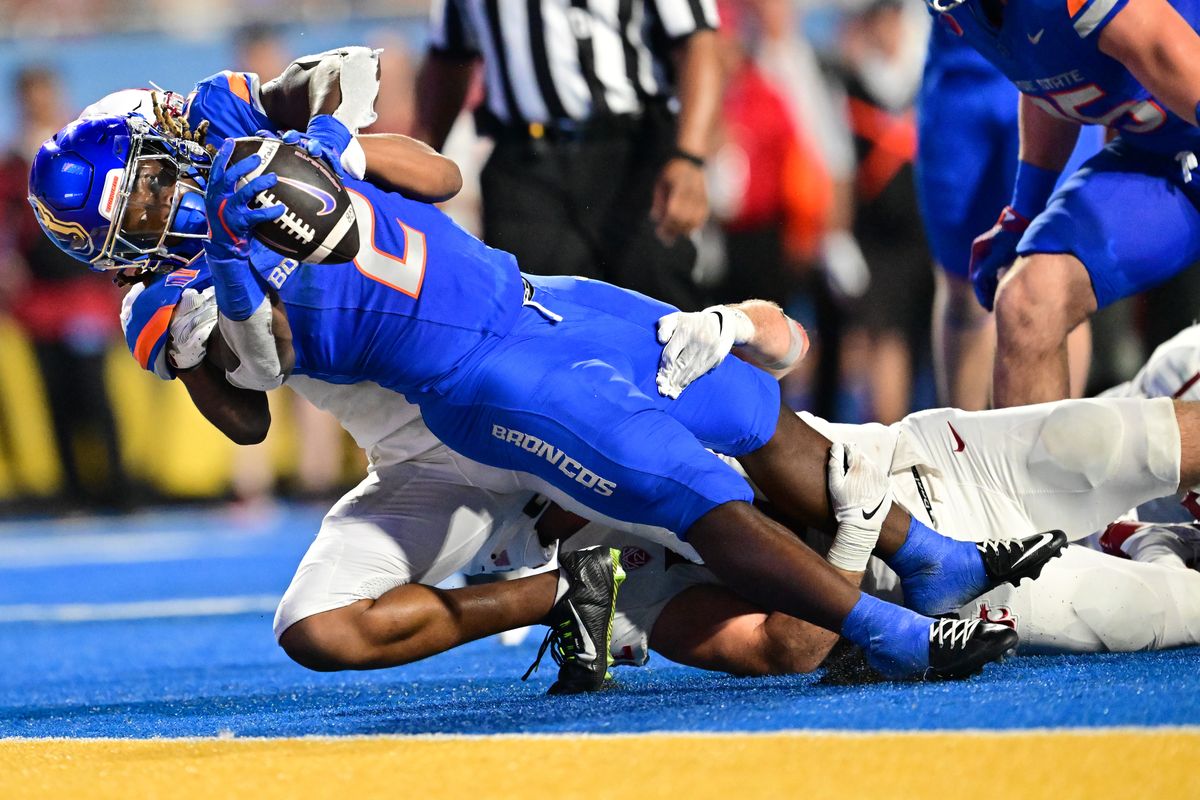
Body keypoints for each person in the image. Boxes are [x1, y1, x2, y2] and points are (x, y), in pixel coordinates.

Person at [31, 79, 1073, 685]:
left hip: (528, 319)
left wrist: (325, 149)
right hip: (439, 434)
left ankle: (916, 556)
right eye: (129, 219)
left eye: (156, 183)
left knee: (746, 421)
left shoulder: (268, 145)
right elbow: (246, 409)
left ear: (169, 140)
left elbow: (437, 178)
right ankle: (572, 591)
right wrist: (220, 281)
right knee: (317, 627)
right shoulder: (168, 288)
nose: (153, 214)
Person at [123, 272, 1200, 681]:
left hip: (929, 456)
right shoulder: (634, 571)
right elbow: (787, 643)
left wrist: (727, 323)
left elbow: (779, 348)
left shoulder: (541, 363)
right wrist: (849, 537)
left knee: (1145, 441)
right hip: (959, 573)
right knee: (1163, 603)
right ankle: (1147, 546)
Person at [927, 0, 1200, 407]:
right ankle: (1024, 472)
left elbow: (1168, 53)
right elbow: (1047, 73)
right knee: (1027, 304)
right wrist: (1024, 210)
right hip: (1161, 153)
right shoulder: (959, 8)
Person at [411, 0, 718, 311]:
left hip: (632, 153)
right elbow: (448, 55)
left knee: (664, 316)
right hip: (524, 165)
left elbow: (697, 38)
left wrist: (690, 156)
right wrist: (417, 169)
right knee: (530, 318)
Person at [914, 18, 1102, 410]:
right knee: (963, 283)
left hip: (1057, 62)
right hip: (959, 75)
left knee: (1057, 270)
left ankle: (1054, 456)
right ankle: (958, 459)